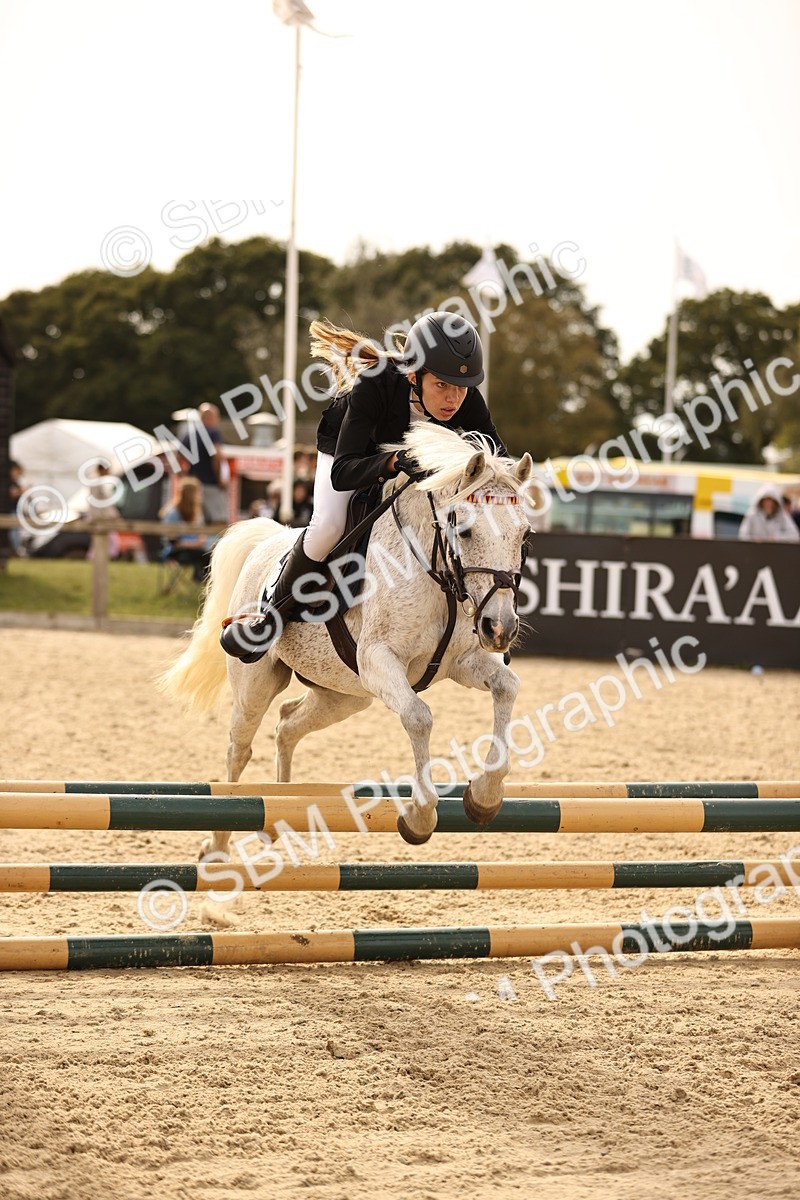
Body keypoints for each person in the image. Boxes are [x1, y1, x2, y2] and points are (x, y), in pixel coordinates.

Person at [221, 310, 508, 661]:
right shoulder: (374, 384)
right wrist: (390, 462)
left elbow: (499, 466)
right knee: (328, 527)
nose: (453, 399)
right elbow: (343, 471)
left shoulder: (468, 403)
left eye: (461, 388)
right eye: (442, 385)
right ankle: (268, 619)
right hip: (350, 453)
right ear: (415, 374)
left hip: (408, 463)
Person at [161, 478, 213, 581]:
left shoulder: (197, 513)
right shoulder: (173, 513)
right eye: (198, 493)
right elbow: (171, 539)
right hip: (177, 551)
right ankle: (201, 578)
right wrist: (192, 544)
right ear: (190, 494)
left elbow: (201, 535)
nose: (200, 496)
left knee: (214, 552)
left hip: (196, 548)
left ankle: (201, 577)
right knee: (206, 556)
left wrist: (199, 542)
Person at [187, 403, 229, 523]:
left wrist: (186, 480)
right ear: (211, 417)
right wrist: (220, 479)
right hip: (211, 485)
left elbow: (178, 458)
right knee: (219, 522)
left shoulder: (190, 435)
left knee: (198, 521)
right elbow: (216, 456)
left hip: (194, 487)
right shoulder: (213, 433)